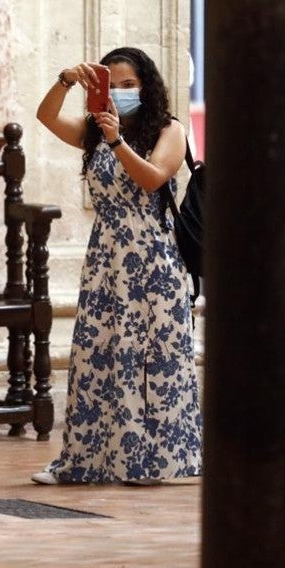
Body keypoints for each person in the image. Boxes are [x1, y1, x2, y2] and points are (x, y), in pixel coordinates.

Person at [31, 47, 203, 485]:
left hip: (152, 259)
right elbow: (46, 117)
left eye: (131, 85)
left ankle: (150, 462)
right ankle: (84, 459)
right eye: (116, 85)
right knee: (100, 354)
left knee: (150, 357)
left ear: (147, 86)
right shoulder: (94, 129)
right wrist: (66, 80)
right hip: (107, 257)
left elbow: (152, 178)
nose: (124, 93)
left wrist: (117, 141)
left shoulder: (169, 129)